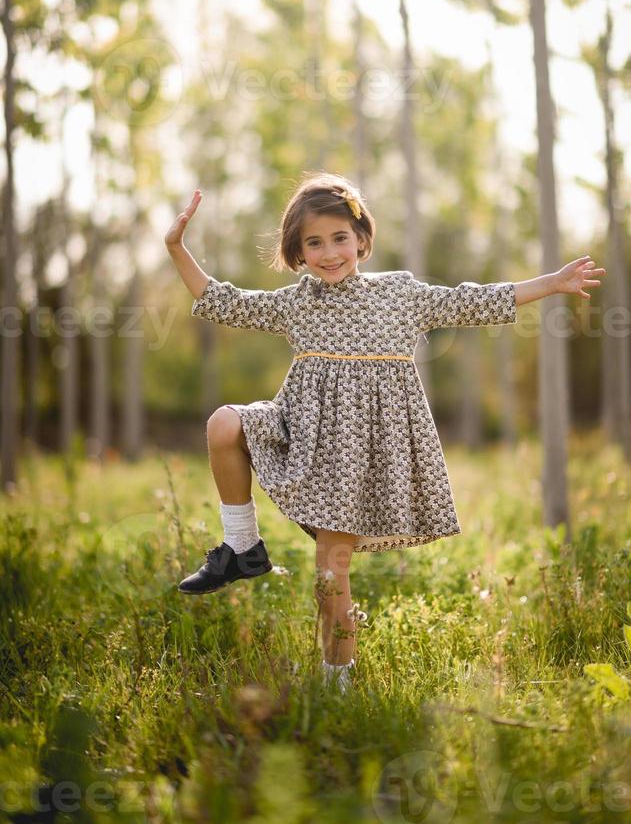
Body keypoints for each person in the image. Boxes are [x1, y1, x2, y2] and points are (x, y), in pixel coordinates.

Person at [164, 171, 605, 692]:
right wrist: (176, 247)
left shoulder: (400, 295)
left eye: (340, 238)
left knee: (331, 575)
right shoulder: (297, 302)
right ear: (298, 252)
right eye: (314, 243)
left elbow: (475, 300)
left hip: (359, 460)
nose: (329, 253)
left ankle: (336, 684)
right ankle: (242, 547)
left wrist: (552, 283)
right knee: (223, 422)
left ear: (362, 241)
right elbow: (222, 300)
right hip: (304, 438)